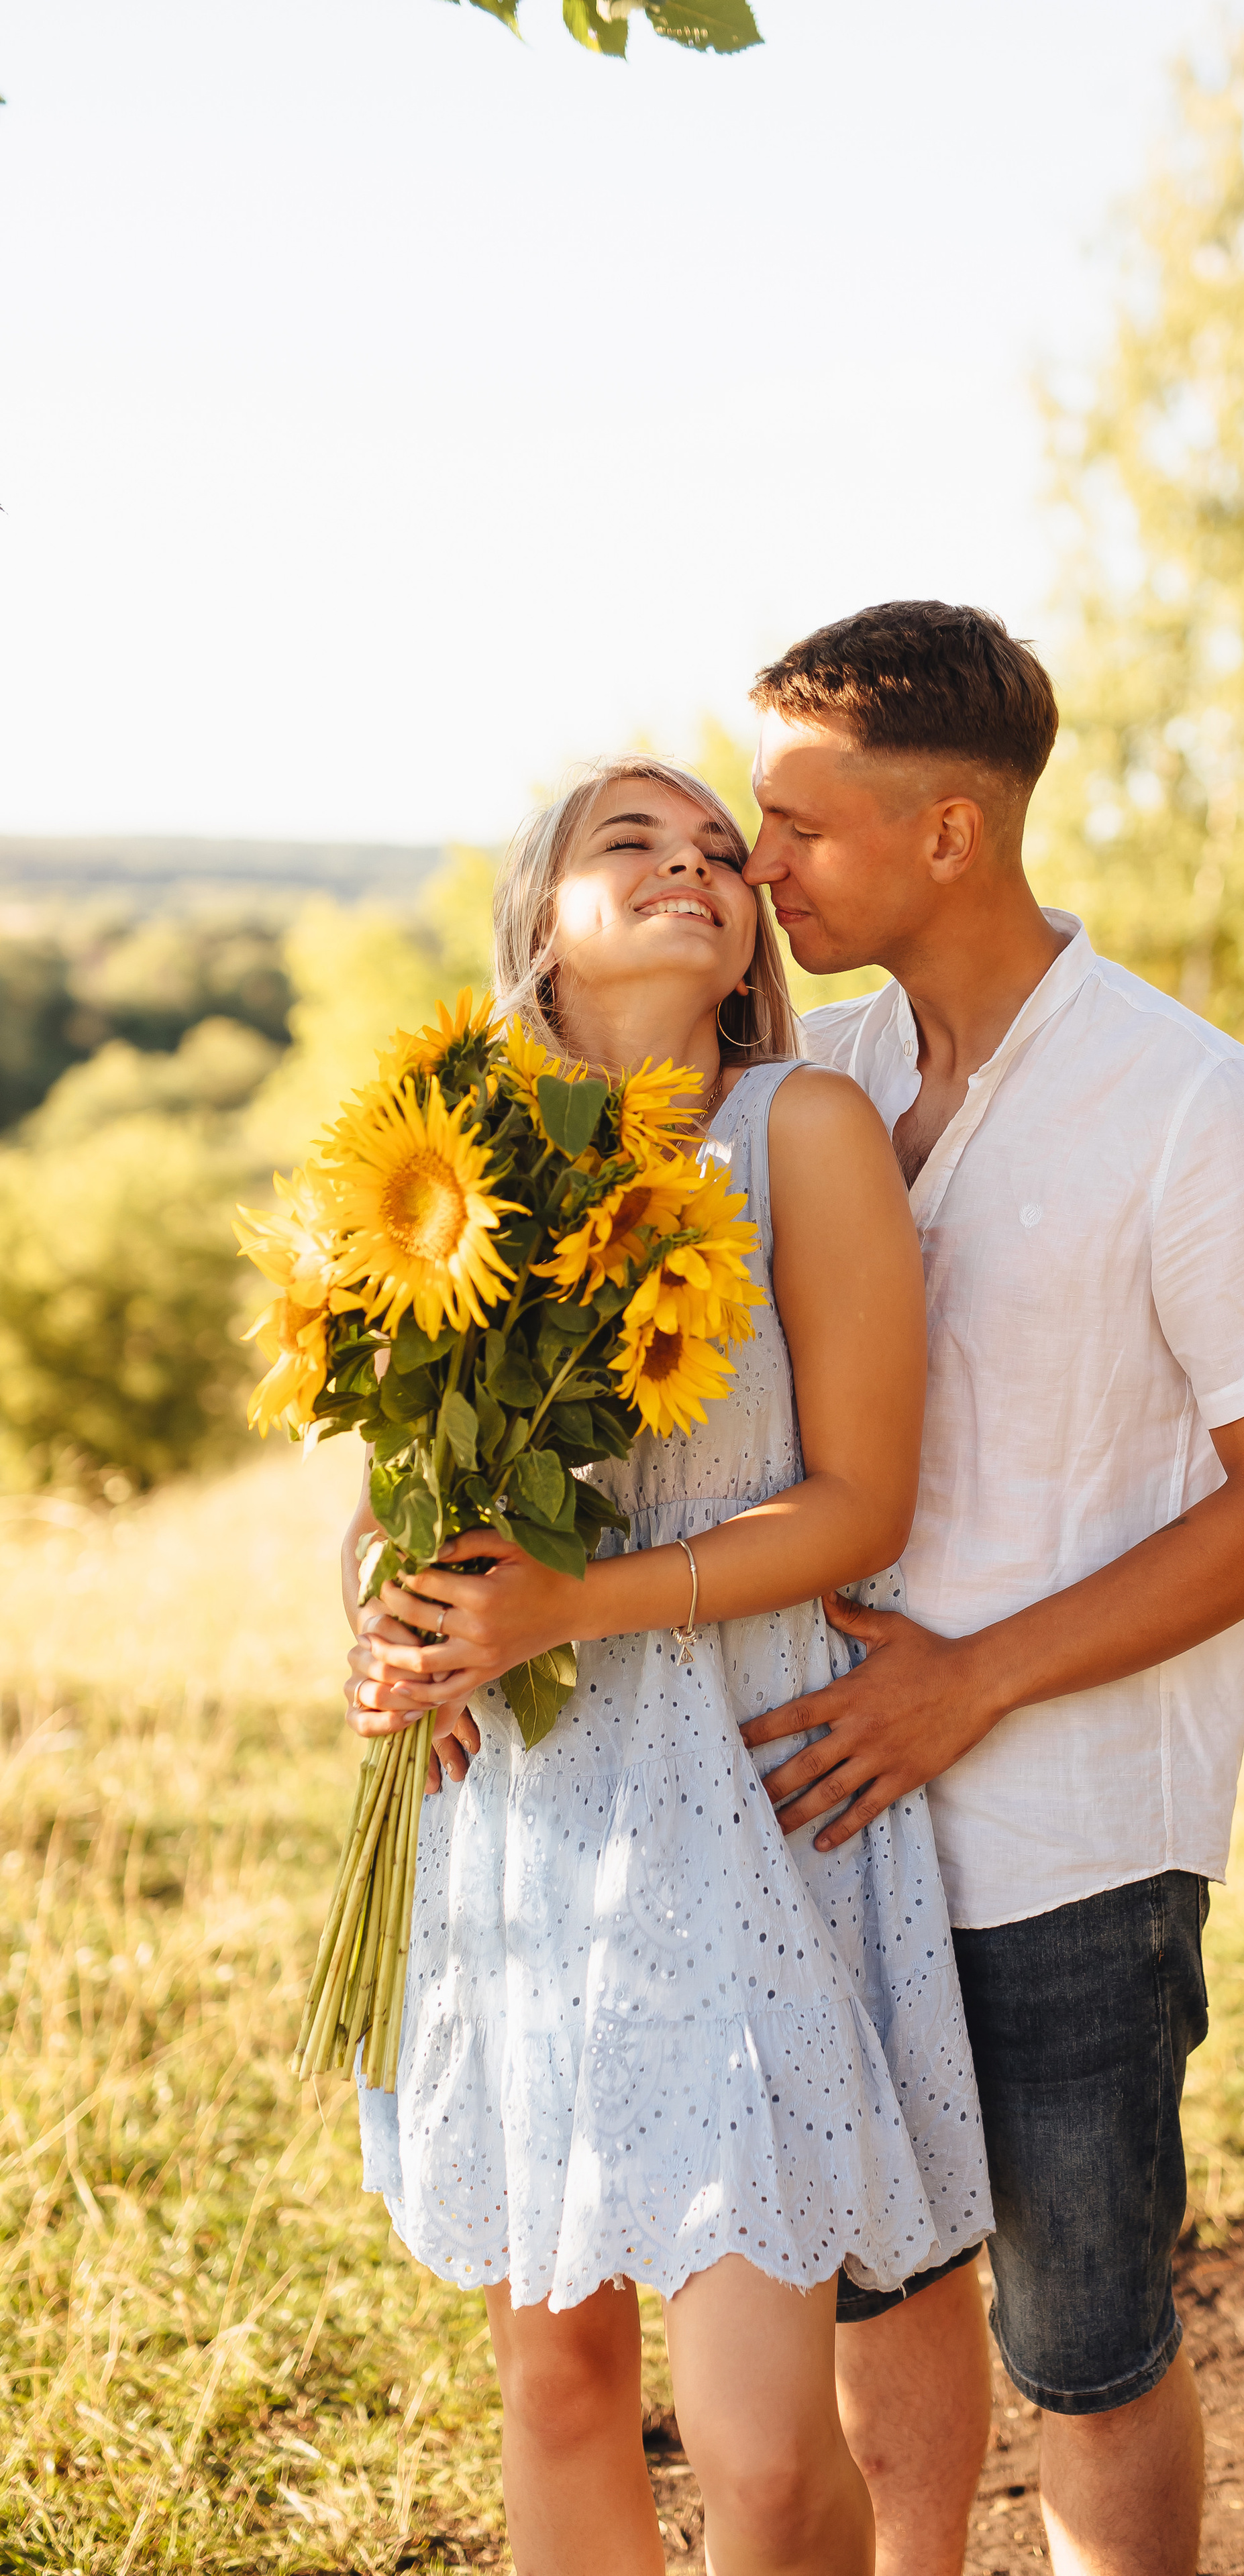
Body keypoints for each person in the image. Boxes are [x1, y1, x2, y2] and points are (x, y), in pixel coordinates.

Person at [737, 602, 1244, 2576]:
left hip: (1076, 1846)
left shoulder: (1195, 1111)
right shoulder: (813, 1082)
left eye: (799, 823)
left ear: (950, 833)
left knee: (1087, 2346)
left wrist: (974, 1680)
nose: (761, 862)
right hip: (831, 1807)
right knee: (883, 2289)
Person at [341, 755, 992, 2576]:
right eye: (630, 843)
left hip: (741, 1796)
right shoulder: (446, 1162)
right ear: (543, 925)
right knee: (557, 2386)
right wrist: (381, 1633)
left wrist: (566, 1610)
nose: (694, 866)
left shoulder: (801, 1132)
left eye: (720, 852)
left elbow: (862, 1506)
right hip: (517, 1808)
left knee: (762, 2453)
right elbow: (390, 1500)